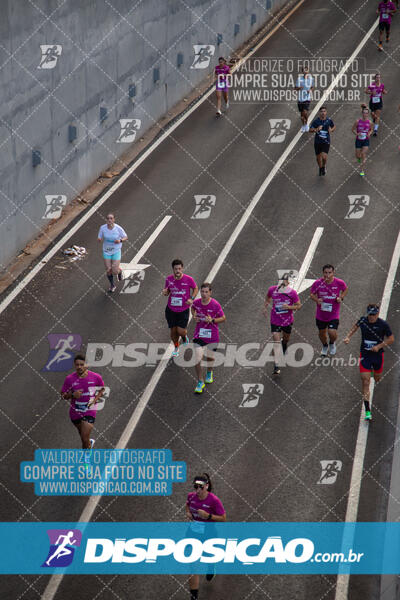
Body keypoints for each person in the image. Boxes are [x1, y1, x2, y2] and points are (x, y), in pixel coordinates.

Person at [344, 304, 394, 420]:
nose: (371, 317)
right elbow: (354, 327)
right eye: (369, 314)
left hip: (377, 356)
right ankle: (367, 411)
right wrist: (348, 337)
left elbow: (391, 339)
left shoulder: (383, 324)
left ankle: (373, 373)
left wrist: (379, 346)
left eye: (373, 315)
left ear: (377, 314)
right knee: (365, 382)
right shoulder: (363, 320)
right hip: (365, 355)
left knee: (377, 379)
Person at [185, 472, 226, 599]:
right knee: (193, 566)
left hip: (209, 533)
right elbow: (187, 505)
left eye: (200, 487)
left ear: (207, 486)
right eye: (195, 486)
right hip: (192, 533)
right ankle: (194, 597)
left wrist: (208, 516)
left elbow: (223, 518)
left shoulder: (214, 501)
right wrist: (188, 513)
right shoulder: (191, 496)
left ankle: (211, 566)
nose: (198, 489)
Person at [61, 354, 105, 449]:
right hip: (75, 412)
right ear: (74, 365)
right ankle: (89, 443)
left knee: (84, 437)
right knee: (84, 438)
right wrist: (73, 395)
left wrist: (94, 400)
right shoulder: (69, 379)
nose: (79, 367)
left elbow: (102, 389)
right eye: (77, 365)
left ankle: (86, 460)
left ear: (87, 365)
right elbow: (63, 396)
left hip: (89, 410)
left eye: (82, 364)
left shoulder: (96, 377)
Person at [263, 273, 301, 375]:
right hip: (275, 320)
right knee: (276, 342)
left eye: (284, 283)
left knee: (286, 339)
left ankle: (285, 345)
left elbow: (298, 305)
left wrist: (289, 307)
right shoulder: (272, 289)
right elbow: (268, 297)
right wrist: (265, 306)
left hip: (287, 321)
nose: (281, 285)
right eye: (280, 282)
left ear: (288, 283)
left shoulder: (292, 293)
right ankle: (276, 366)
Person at [191, 283, 226, 393]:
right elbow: (192, 308)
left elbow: (223, 318)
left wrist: (213, 320)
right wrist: (194, 316)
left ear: (210, 292)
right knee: (197, 358)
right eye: (202, 292)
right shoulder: (197, 303)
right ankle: (200, 381)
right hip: (199, 334)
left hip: (212, 335)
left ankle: (209, 372)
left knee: (210, 358)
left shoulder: (215, 304)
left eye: (206, 292)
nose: (204, 294)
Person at [163, 259, 198, 357]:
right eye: (175, 269)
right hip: (171, 310)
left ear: (182, 268)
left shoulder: (188, 279)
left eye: (179, 268)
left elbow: (195, 288)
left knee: (181, 331)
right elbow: (167, 291)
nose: (177, 271)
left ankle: (184, 337)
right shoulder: (169, 279)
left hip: (183, 310)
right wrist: (165, 292)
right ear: (173, 269)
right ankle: (176, 347)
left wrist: (191, 298)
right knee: (173, 331)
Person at [310, 265, 348, 356]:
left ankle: (331, 343)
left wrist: (341, 297)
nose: (327, 275)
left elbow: (345, 289)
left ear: (333, 273)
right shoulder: (317, 283)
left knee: (332, 332)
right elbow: (312, 294)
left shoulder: (339, 282)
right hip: (321, 314)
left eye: (329, 272)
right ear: (323, 273)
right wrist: (317, 300)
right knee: (322, 333)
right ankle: (325, 345)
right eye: (325, 273)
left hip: (333, 314)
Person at [98, 213, 128, 293]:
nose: (109, 220)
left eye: (111, 218)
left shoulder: (118, 228)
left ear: (114, 219)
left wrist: (120, 240)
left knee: (115, 271)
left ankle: (119, 271)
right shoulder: (103, 228)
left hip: (116, 250)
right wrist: (99, 239)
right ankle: (112, 285)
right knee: (108, 270)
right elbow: (100, 236)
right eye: (108, 218)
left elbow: (125, 237)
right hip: (106, 251)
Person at [309, 106, 336, 175]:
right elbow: (310, 130)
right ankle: (320, 168)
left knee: (324, 157)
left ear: (326, 112)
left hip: (326, 142)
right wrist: (316, 129)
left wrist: (331, 130)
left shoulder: (328, 120)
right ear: (319, 113)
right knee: (318, 158)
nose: (323, 113)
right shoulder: (316, 121)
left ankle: (323, 166)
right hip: (317, 142)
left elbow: (334, 126)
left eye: (324, 111)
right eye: (321, 111)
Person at [351, 104, 373, 176]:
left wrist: (369, 134)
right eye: (364, 113)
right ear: (362, 113)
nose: (365, 114)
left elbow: (371, 130)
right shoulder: (358, 121)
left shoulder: (369, 122)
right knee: (358, 155)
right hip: (358, 140)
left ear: (368, 114)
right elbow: (353, 129)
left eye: (366, 113)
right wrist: (357, 134)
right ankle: (359, 157)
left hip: (366, 140)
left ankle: (362, 170)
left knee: (363, 154)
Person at [295, 65, 314, 132]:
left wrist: (310, 90)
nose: (305, 71)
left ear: (308, 71)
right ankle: (303, 125)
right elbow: (295, 88)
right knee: (302, 116)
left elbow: (312, 86)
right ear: (302, 71)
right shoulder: (299, 79)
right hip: (300, 99)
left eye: (306, 70)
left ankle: (306, 124)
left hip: (307, 98)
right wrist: (299, 88)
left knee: (305, 112)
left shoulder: (311, 79)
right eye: (304, 70)